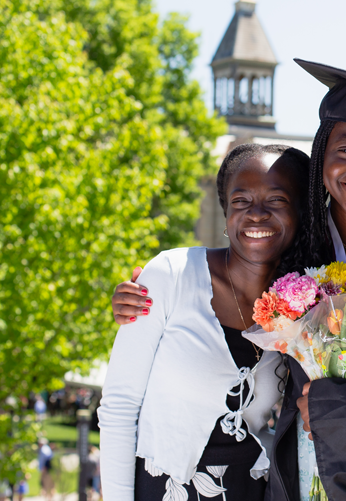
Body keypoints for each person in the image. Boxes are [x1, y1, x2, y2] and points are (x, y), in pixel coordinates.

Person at [112, 62, 346, 501]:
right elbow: (220, 288)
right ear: (322, 153)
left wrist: (340, 408)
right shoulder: (293, 255)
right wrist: (146, 291)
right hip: (296, 477)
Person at [98, 144, 310, 501]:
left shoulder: (303, 302)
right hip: (163, 489)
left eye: (276, 200)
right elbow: (118, 408)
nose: (256, 214)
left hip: (252, 489)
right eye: (241, 201)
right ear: (226, 211)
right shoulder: (170, 275)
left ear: (301, 212)